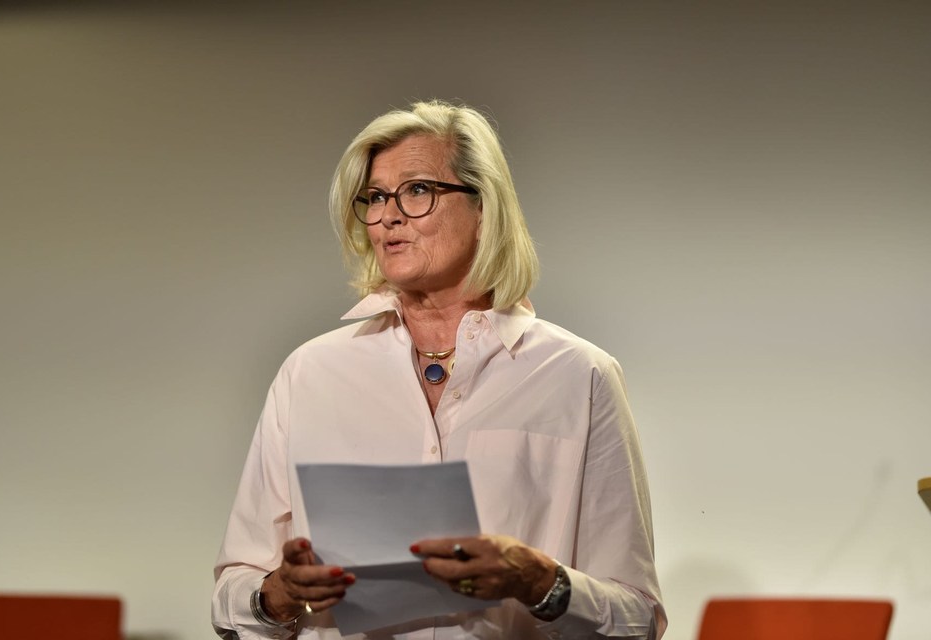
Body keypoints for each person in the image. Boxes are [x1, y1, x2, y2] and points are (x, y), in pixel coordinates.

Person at [212, 100, 666, 640]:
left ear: (484, 206)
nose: (388, 216)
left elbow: (637, 618)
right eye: (375, 197)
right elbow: (233, 592)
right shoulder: (309, 373)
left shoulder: (578, 375)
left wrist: (537, 580)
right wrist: (277, 595)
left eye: (418, 190)